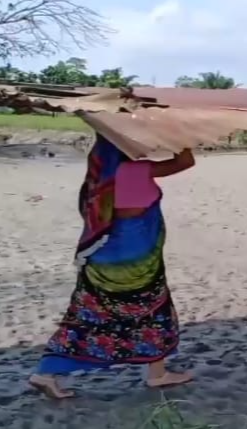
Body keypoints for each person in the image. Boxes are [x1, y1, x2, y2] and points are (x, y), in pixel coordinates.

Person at [28, 137, 196, 399]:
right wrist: (178, 133)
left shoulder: (98, 179)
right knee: (153, 312)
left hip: (100, 259)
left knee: (86, 318)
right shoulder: (136, 170)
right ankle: (157, 374)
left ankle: (46, 373)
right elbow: (186, 161)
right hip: (136, 262)